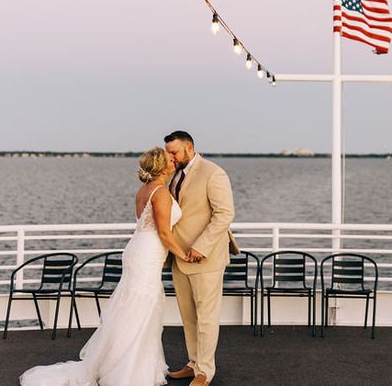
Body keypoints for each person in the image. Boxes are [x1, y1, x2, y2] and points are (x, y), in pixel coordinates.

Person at [19, 147, 189, 386]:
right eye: (170, 159)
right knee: (141, 307)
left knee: (133, 307)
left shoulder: (143, 190)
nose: (174, 161)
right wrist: (183, 254)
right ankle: (127, 371)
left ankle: (123, 363)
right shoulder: (160, 193)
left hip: (139, 249)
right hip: (147, 252)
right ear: (162, 166)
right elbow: (162, 231)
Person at [163, 131, 237, 386]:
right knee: (188, 316)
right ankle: (193, 363)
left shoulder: (213, 173)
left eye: (174, 152)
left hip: (205, 259)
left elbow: (224, 214)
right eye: (168, 152)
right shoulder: (173, 175)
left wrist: (201, 247)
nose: (169, 157)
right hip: (178, 257)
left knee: (206, 317)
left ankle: (205, 372)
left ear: (189, 147)